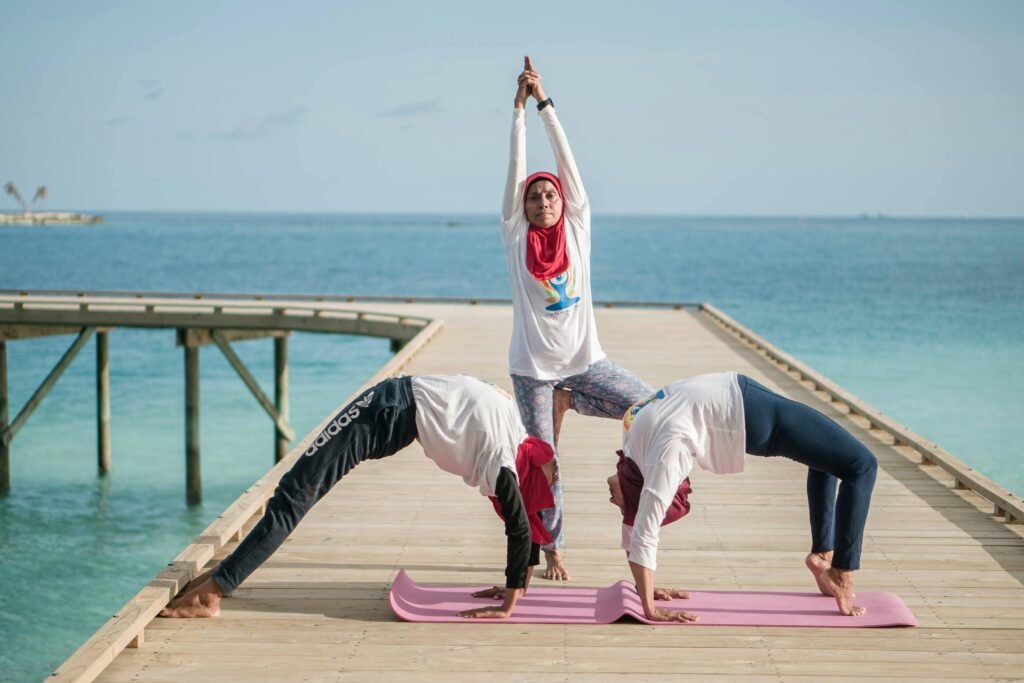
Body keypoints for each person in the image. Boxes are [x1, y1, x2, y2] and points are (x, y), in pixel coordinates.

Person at [159, 374, 557, 620]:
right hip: (387, 409)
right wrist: (513, 587)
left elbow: (521, 524)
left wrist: (512, 592)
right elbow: (522, 522)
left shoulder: (512, 429)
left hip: (389, 406)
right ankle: (217, 581)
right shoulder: (504, 457)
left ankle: (212, 594)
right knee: (292, 497)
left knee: (290, 498)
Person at [501, 55, 654, 581]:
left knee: (651, 408)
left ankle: (574, 399)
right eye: (535, 196)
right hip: (533, 372)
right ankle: (553, 549)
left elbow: (566, 165)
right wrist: (516, 113)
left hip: (587, 363)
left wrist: (545, 105)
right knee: (544, 464)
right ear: (523, 207)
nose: (543, 199)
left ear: (563, 202)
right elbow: (518, 171)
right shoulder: (516, 236)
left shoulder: (578, 228)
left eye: (550, 195)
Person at [605, 372, 878, 621]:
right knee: (862, 465)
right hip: (751, 411)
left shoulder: (650, 451)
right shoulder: (641, 434)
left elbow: (640, 526)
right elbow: (641, 528)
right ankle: (842, 572)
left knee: (834, 458)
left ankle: (823, 555)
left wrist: (647, 595)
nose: (611, 499)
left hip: (747, 408)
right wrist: (649, 604)